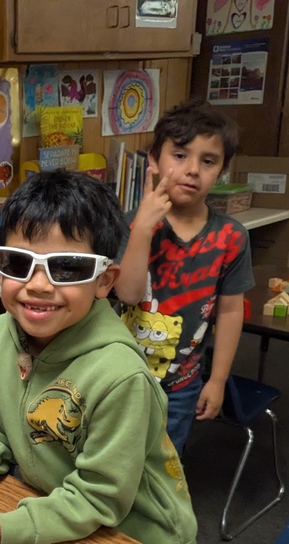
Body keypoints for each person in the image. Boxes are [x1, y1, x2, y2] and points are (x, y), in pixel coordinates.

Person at [0, 171, 198, 544]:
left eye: (67, 267)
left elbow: (99, 496)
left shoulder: (121, 377)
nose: (39, 285)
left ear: (104, 281)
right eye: (18, 263)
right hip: (62, 522)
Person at [115, 98, 254, 457]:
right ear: (154, 159)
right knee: (114, 459)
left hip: (181, 383)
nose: (192, 170)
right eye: (179, 155)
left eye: (208, 161)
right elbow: (127, 294)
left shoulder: (231, 237)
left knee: (164, 467)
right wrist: (143, 230)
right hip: (119, 378)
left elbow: (229, 312)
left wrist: (218, 379)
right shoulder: (129, 224)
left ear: (222, 171)